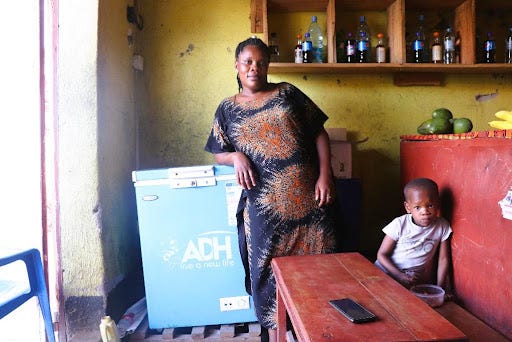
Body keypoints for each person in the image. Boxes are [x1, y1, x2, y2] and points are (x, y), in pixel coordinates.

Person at [205, 37, 336, 341]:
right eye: (248, 62)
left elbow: (319, 133)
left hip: (311, 203)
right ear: (237, 66)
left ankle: (315, 331)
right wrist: (235, 156)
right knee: (266, 274)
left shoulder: (287, 93)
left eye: (261, 62)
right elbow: (218, 152)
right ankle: (278, 335)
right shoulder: (227, 109)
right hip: (264, 209)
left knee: (320, 269)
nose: (255, 67)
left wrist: (325, 176)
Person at [375, 178, 452, 291]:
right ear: (408, 208)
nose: (425, 211)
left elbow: (443, 260)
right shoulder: (400, 224)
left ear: (438, 204)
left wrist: (440, 288)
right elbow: (381, 255)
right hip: (386, 272)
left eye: (430, 205)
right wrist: (399, 276)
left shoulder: (442, 226)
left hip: (411, 279)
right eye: (417, 207)